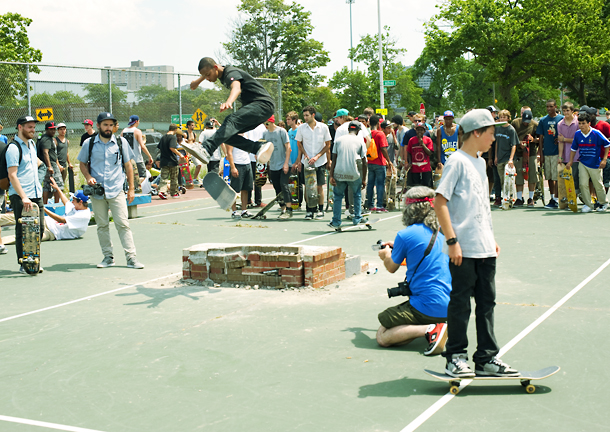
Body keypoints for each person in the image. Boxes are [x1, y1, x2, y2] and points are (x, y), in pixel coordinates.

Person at [435, 108, 519, 378]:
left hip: (484, 247)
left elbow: (481, 205)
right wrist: (452, 241)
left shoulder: (481, 163)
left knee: (486, 304)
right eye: (491, 133)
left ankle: (486, 358)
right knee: (460, 303)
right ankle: (455, 357)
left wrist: (490, 238)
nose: (494, 137)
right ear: (477, 133)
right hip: (463, 248)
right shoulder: (456, 161)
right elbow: (440, 202)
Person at [376, 186, 451, 355]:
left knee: (383, 334)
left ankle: (431, 329)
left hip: (428, 306)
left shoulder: (405, 235)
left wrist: (386, 254)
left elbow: (391, 267)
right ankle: (437, 326)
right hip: (454, 305)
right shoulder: (446, 231)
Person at [77, 112, 144, 269]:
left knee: (122, 224)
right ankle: (108, 257)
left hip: (116, 190)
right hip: (97, 192)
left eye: (111, 125)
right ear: (98, 126)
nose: (108, 128)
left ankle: (131, 258)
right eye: (105, 124)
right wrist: (88, 177)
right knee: (102, 225)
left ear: (114, 126)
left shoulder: (121, 142)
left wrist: (131, 189)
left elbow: (128, 165)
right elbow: (82, 163)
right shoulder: (89, 143)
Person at [189, 57, 273, 165]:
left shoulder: (230, 72)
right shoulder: (215, 70)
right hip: (260, 108)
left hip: (262, 104)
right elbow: (193, 86)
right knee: (225, 133)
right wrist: (201, 78)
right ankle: (258, 147)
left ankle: (206, 149)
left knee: (230, 120)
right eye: (205, 76)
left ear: (215, 68)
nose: (207, 78)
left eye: (208, 75)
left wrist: (229, 101)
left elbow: (236, 88)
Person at [7, 116, 45, 273]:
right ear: (20, 127)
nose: (33, 130)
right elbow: (12, 175)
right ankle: (24, 264)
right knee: (23, 231)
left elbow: (36, 165)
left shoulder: (32, 145)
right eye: (29, 127)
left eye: (34, 127)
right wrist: (23, 197)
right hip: (21, 196)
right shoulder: (14, 148)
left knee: (40, 229)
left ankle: (33, 259)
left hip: (36, 194)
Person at [566, 113, 609, 213]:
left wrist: (604, 159)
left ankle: (603, 203)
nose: (581, 125)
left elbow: (607, 144)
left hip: (595, 164)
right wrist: (571, 161)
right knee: (582, 184)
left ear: (589, 123)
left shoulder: (596, 133)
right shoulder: (577, 134)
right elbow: (573, 148)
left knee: (598, 184)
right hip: (583, 163)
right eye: (579, 123)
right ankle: (588, 204)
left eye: (583, 123)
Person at [328, 121, 368, 228]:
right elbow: (364, 162)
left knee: (338, 197)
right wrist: (363, 178)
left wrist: (331, 175)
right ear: (358, 130)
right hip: (353, 173)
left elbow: (334, 159)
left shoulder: (338, 140)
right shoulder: (360, 142)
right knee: (357, 195)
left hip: (339, 173)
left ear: (348, 129)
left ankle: (336, 221)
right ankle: (357, 218)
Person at [296, 105, 331, 219]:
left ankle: (320, 210)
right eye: (304, 115)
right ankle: (309, 210)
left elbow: (328, 145)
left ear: (313, 115)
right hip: (307, 162)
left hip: (320, 161)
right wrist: (305, 155)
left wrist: (317, 156)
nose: (305, 118)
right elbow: (299, 143)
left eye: (307, 115)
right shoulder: (301, 128)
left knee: (319, 187)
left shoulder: (323, 127)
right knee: (308, 186)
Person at [263, 115, 292, 219]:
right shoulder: (265, 134)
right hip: (273, 165)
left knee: (284, 185)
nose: (265, 125)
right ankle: (283, 208)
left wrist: (286, 163)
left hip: (283, 164)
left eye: (266, 123)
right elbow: (264, 148)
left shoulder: (281, 131)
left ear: (271, 122)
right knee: (277, 188)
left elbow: (288, 147)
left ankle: (289, 209)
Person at [536, 99, 564, 209]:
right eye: (547, 106)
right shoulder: (543, 120)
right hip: (546, 152)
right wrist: (540, 154)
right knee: (549, 177)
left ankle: (557, 198)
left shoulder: (561, 119)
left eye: (551, 106)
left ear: (555, 107)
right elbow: (540, 138)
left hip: (557, 152)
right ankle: (552, 198)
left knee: (557, 176)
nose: (549, 108)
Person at [511, 108, 540, 207]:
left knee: (532, 175)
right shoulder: (515, 123)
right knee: (519, 175)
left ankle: (531, 198)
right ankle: (519, 198)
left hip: (531, 153)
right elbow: (512, 136)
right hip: (519, 154)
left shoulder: (535, 124)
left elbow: (540, 139)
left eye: (528, 122)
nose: (526, 123)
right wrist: (519, 143)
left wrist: (533, 139)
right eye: (524, 121)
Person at [366, 115, 391, 212]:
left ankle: (370, 205)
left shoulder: (367, 133)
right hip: (380, 162)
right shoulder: (380, 134)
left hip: (370, 161)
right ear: (378, 123)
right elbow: (383, 148)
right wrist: (388, 160)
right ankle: (380, 205)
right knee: (380, 184)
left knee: (370, 184)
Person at [493, 110, 519, 204]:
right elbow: (496, 143)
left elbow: (514, 145)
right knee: (502, 180)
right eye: (501, 117)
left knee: (508, 181)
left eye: (504, 117)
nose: (502, 118)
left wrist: (511, 159)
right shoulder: (498, 128)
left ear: (508, 118)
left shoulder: (511, 129)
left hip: (508, 159)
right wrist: (496, 156)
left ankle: (510, 198)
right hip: (499, 157)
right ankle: (505, 199)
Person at [226, 137, 254, 219]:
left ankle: (244, 210)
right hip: (237, 165)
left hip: (247, 164)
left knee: (245, 189)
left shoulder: (246, 135)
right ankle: (234, 212)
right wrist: (233, 167)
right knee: (234, 190)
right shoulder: (232, 137)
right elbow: (229, 153)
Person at [38, 121, 64, 204]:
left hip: (47, 164)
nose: (53, 131)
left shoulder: (45, 138)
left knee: (47, 185)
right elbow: (45, 152)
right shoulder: (46, 139)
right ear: (46, 130)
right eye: (51, 129)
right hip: (50, 164)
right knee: (58, 185)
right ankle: (56, 204)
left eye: (54, 129)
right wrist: (50, 166)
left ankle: (45, 204)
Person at [122, 115, 152, 186]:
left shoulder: (123, 131)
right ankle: (133, 186)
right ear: (137, 121)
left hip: (126, 158)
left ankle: (128, 186)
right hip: (137, 158)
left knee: (128, 175)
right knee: (142, 175)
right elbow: (142, 146)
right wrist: (149, 156)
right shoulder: (137, 131)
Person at [157, 124, 182, 200]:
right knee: (174, 178)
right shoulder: (172, 137)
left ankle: (162, 191)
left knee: (164, 177)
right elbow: (172, 147)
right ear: (175, 130)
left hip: (164, 161)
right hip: (172, 161)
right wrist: (180, 154)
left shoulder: (163, 137)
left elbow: (159, 147)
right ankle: (174, 193)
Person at [406, 122, 434, 188]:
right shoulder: (411, 140)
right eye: (418, 130)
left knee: (426, 187)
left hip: (425, 168)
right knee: (416, 187)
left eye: (421, 130)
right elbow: (409, 152)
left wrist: (422, 144)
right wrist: (410, 162)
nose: (419, 132)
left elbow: (430, 153)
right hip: (415, 168)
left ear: (424, 131)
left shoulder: (428, 140)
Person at [286, 111, 303, 208]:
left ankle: (298, 203)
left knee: (298, 183)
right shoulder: (289, 131)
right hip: (290, 160)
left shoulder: (299, 131)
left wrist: (298, 161)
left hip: (297, 160)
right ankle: (292, 201)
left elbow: (300, 147)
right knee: (291, 182)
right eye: (287, 119)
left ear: (294, 120)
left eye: (289, 119)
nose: (287, 121)